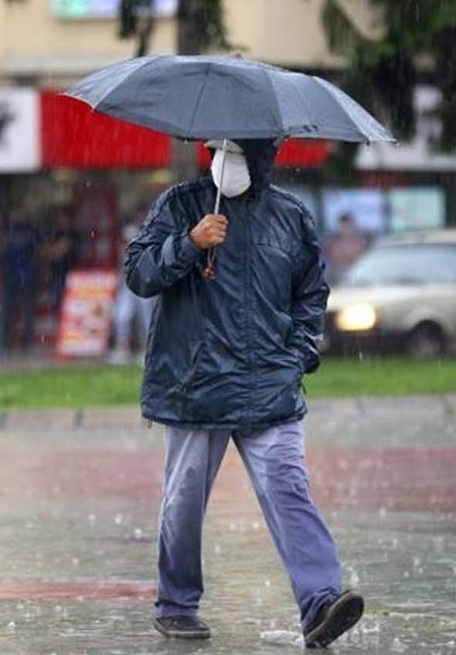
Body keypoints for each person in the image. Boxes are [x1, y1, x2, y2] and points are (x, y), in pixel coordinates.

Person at [124, 138, 363, 648]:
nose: (225, 163)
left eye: (238, 153)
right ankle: (177, 604)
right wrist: (189, 243)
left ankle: (320, 600)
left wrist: (298, 354)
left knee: (288, 486)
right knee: (183, 501)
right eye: (217, 151)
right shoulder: (180, 205)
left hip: (269, 386)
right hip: (196, 385)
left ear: (263, 158)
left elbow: (310, 294)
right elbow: (139, 274)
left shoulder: (290, 217)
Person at [109, 204, 156, 365]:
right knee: (122, 317)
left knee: (147, 319)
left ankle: (148, 351)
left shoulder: (146, 248)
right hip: (127, 288)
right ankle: (122, 349)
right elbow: (121, 272)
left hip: (143, 287)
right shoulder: (123, 253)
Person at [0, 206, 40, 350]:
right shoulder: (8, 230)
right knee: (10, 309)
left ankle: (22, 340)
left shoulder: (28, 230)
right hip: (15, 273)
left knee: (23, 308)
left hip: (23, 273)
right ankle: (8, 340)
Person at [41, 205, 82, 315]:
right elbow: (45, 251)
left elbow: (59, 251)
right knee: (57, 302)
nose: (60, 220)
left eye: (62, 217)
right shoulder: (53, 232)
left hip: (70, 273)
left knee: (71, 304)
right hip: (56, 272)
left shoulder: (73, 233)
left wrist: (54, 249)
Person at [324, 211, 370, 284]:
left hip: (358, 274)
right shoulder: (332, 244)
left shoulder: (360, 243)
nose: (346, 229)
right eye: (344, 226)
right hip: (337, 275)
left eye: (348, 226)